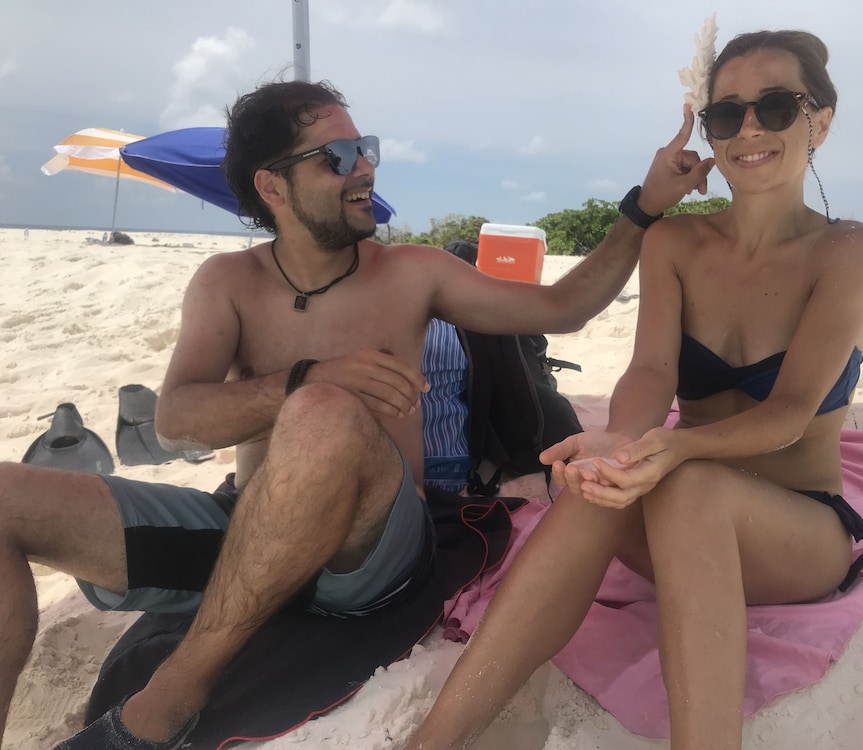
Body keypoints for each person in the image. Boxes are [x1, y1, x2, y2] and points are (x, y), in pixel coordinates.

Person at [0, 79, 713, 749]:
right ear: (272, 186)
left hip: (370, 552)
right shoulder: (228, 282)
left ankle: (168, 700)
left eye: (364, 148)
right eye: (337, 157)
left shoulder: (412, 272)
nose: (365, 167)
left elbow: (564, 307)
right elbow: (177, 420)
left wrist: (644, 207)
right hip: (246, 532)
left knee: (325, 412)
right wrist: (306, 378)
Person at [405, 29, 863, 750]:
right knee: (601, 477)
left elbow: (790, 413)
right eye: (727, 113)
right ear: (708, 131)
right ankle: (434, 740)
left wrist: (670, 448)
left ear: (820, 121)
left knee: (685, 481)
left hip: (799, 532)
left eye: (777, 107)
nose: (750, 129)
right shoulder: (675, 242)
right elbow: (651, 371)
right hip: (672, 521)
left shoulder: (848, 249)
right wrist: (623, 444)